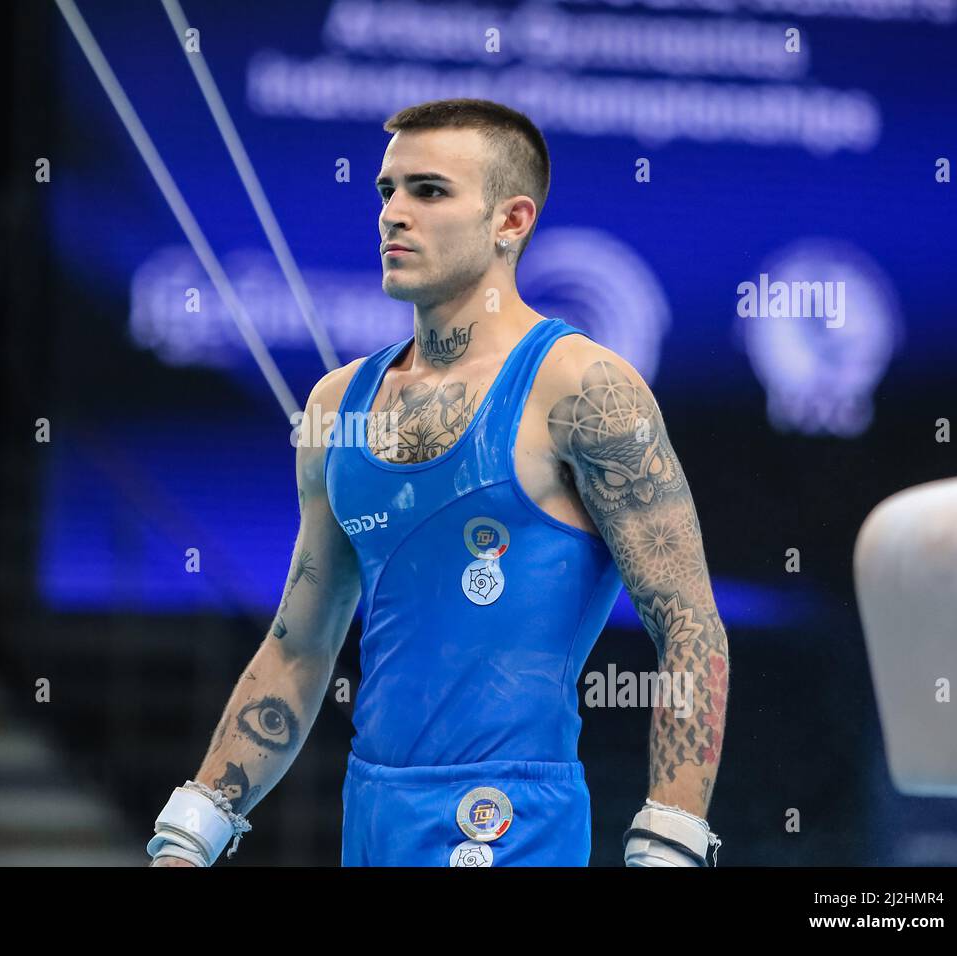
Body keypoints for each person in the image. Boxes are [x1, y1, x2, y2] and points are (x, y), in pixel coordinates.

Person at [148, 98, 728, 867]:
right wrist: (194, 828)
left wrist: (672, 836)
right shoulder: (336, 405)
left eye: (428, 191)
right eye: (385, 191)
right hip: (373, 814)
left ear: (511, 220)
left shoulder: (582, 390)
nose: (394, 214)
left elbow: (689, 625)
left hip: (513, 823)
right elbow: (300, 645)